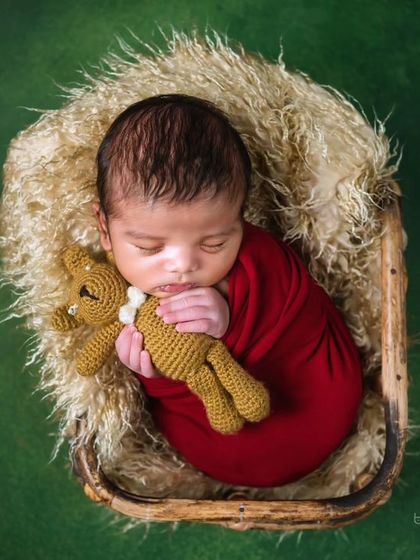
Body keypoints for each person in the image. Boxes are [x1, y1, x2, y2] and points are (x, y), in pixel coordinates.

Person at [93, 93, 364, 487]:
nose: (183, 266)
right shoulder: (120, 300)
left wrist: (230, 315)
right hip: (215, 444)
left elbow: (296, 304)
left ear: (241, 219)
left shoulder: (258, 256)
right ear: (105, 229)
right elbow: (176, 378)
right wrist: (146, 369)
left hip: (314, 394)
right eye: (150, 247)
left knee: (326, 386)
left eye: (214, 243)